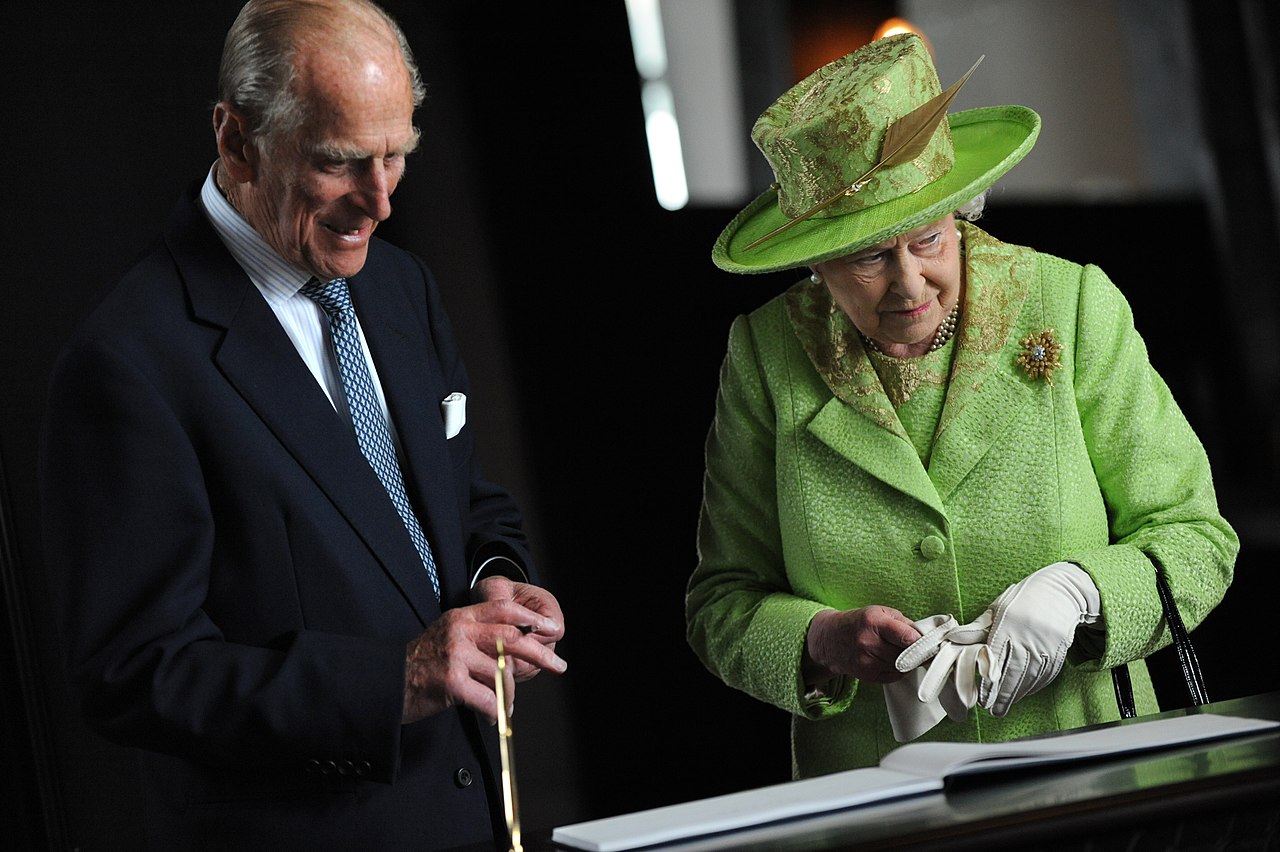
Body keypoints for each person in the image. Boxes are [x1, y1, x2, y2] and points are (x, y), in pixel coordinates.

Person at [37, 1, 566, 848]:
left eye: (397, 156)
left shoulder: (401, 287)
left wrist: (498, 581)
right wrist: (392, 681)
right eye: (341, 162)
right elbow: (131, 674)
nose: (382, 202)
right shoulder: (127, 361)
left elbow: (460, 509)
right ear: (236, 140)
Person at [685, 32, 1238, 779]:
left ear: (962, 213)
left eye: (928, 241)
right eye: (869, 258)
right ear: (813, 262)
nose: (910, 285)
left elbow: (1197, 540)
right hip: (876, 801)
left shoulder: (1070, 306)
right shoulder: (766, 356)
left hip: (1091, 771)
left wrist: (1085, 594)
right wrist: (817, 639)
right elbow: (721, 606)